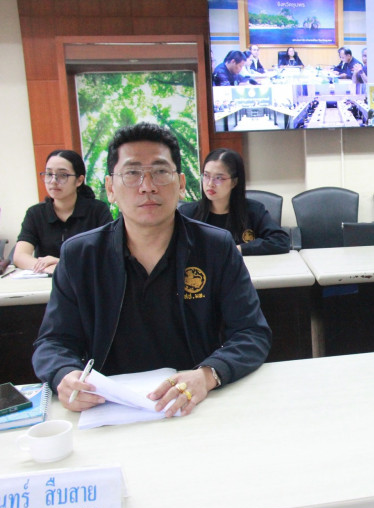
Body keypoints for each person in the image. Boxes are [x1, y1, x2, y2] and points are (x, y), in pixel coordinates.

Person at [32, 122, 271, 416]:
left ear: (180, 184)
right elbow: (53, 342)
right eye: (132, 173)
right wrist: (65, 375)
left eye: (160, 172)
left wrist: (209, 374)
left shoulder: (216, 247)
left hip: (196, 403)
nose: (147, 186)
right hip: (108, 407)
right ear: (110, 188)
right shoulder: (80, 255)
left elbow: (251, 333)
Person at [14, 149, 112, 274]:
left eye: (62, 175)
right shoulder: (35, 213)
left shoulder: (97, 210)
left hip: (86, 279)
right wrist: (46, 268)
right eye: (49, 174)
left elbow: (108, 254)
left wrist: (61, 264)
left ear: (79, 180)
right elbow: (20, 256)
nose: (53, 181)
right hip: (46, 281)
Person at [179, 148, 289, 255]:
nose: (210, 184)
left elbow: (280, 240)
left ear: (234, 182)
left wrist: (236, 249)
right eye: (206, 176)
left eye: (219, 178)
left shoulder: (253, 210)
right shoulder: (188, 213)